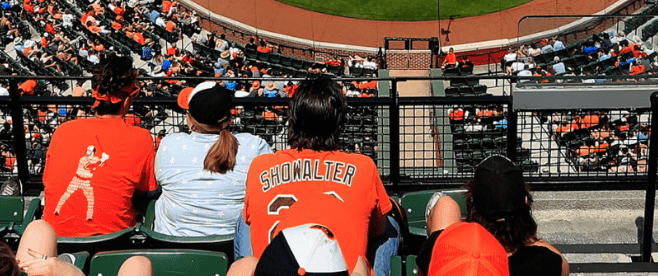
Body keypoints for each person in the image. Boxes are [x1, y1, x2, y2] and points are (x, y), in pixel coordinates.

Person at [239, 75, 398, 276]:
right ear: (339, 123)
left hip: (275, 270)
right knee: (390, 224)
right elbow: (378, 230)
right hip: (339, 271)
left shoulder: (260, 165)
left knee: (243, 220)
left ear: (293, 119)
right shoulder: (363, 166)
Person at [42, 53, 156, 235]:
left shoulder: (63, 130)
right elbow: (145, 190)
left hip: (56, 240)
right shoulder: (141, 137)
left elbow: (48, 182)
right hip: (113, 242)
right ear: (127, 100)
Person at [153, 82, 272, 238]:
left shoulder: (169, 144)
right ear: (230, 117)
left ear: (190, 120)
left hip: (175, 247)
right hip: (235, 247)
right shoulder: (255, 146)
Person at [417, 155, 569, 276]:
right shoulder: (551, 261)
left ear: (471, 204)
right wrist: (523, 233)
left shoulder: (439, 249)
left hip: (462, 255)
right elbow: (560, 263)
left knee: (445, 203)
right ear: (525, 202)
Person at [2, 221, 150, 276]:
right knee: (138, 264)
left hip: (67, 237)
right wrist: (73, 273)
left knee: (39, 228)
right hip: (114, 238)